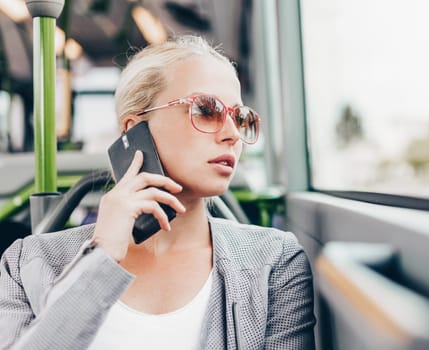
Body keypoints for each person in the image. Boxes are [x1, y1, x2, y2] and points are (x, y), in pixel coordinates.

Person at [0, 35, 315, 349]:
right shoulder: (27, 263)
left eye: (239, 117)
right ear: (134, 129)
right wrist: (103, 254)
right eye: (206, 110)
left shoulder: (273, 261)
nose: (232, 134)